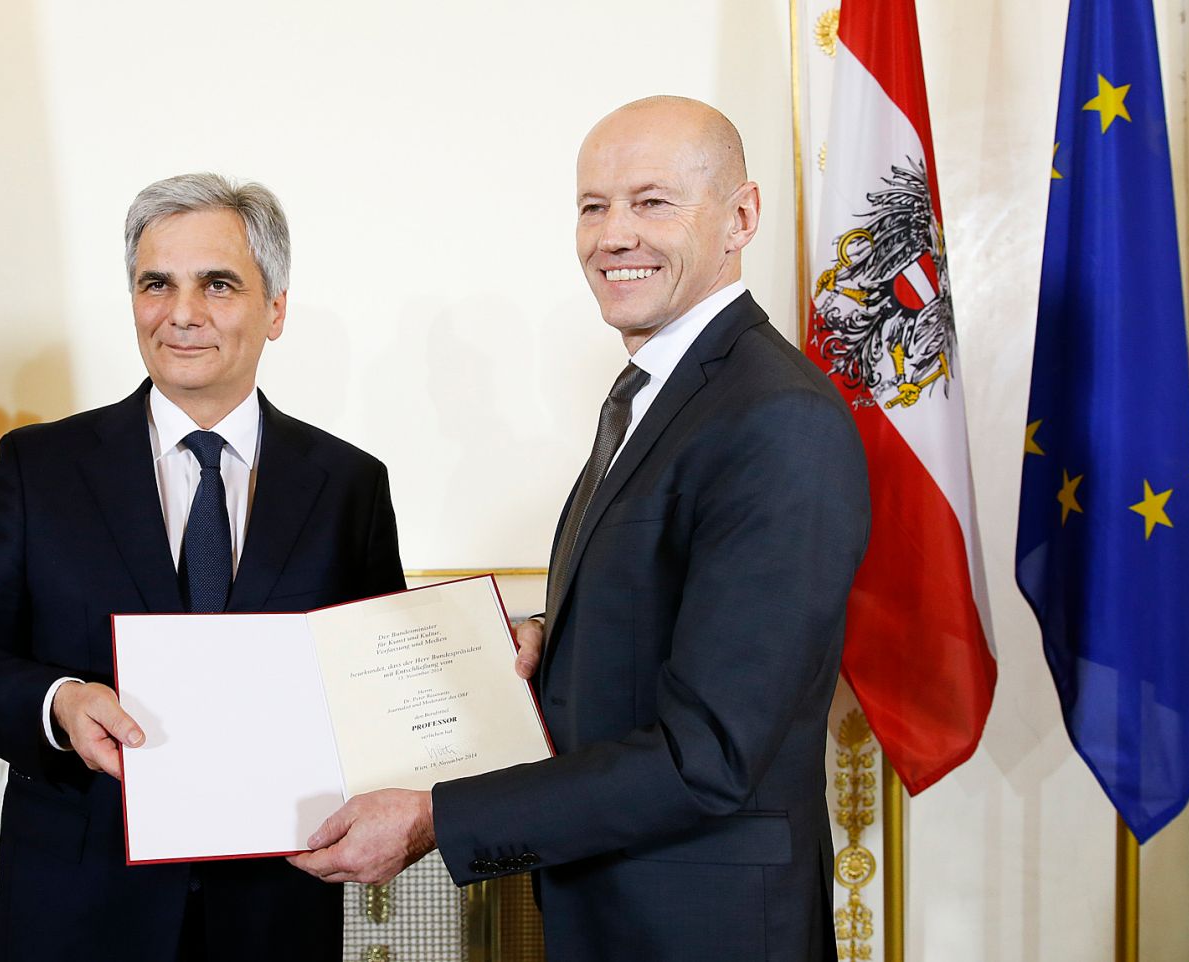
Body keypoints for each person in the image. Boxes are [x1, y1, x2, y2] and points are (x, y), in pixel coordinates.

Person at [289, 97, 870, 961]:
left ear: (740, 217)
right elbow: (667, 625)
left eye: (652, 202)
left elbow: (708, 753)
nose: (613, 235)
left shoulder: (775, 416)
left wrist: (436, 819)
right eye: (593, 207)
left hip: (703, 929)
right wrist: (547, 643)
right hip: (620, 904)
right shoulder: (661, 394)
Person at [0, 172, 406, 962]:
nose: (182, 313)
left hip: (274, 910)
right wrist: (60, 702)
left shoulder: (349, 483)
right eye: (156, 284)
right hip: (78, 910)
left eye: (218, 284)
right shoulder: (41, 467)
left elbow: (378, 684)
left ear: (274, 309)